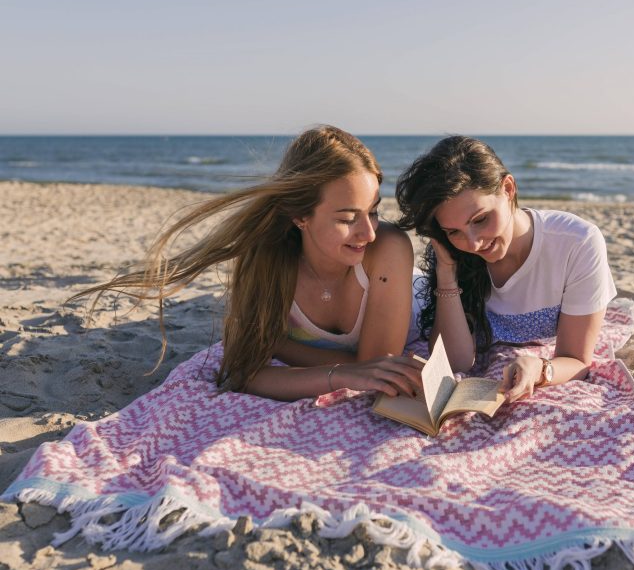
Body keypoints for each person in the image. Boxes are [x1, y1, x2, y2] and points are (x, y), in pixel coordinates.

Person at [72, 125, 422, 401]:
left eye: (374, 212)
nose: (368, 233)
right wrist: (340, 374)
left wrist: (282, 346)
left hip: (412, 295)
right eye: (348, 218)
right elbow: (242, 373)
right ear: (300, 215)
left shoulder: (387, 249)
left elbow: (377, 366)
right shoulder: (267, 256)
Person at [395, 136, 616, 404]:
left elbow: (578, 360)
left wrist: (541, 369)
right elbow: (455, 362)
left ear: (508, 188)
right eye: (453, 231)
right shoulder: (457, 253)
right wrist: (446, 272)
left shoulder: (576, 243)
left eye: (481, 219)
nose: (473, 243)